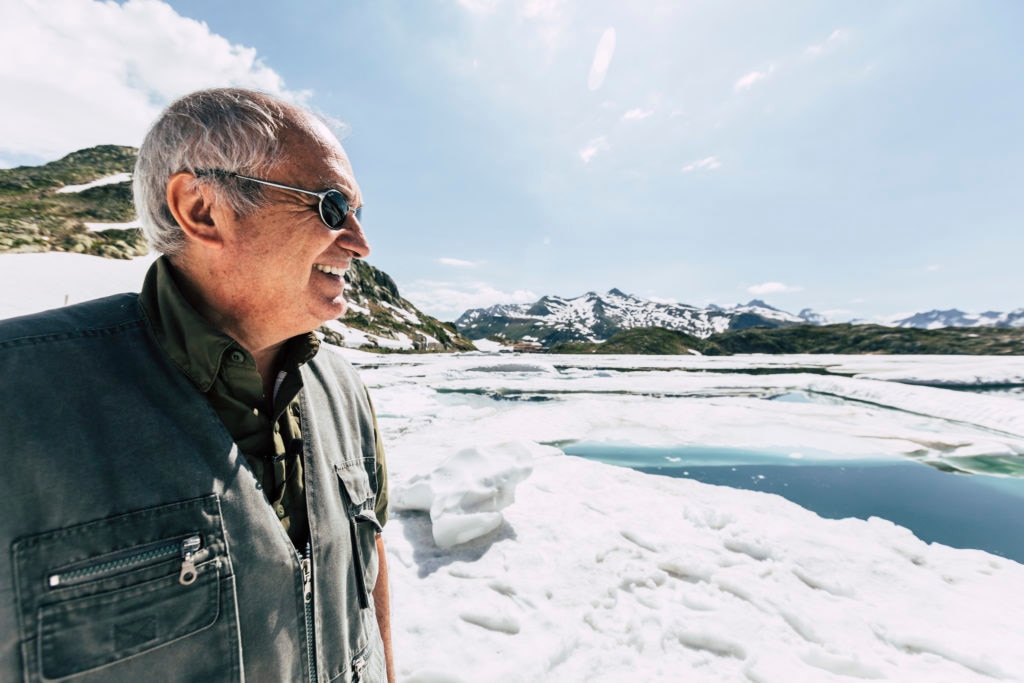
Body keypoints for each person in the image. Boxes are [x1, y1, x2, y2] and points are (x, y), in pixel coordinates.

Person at [0, 88, 394, 682]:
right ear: (202, 208)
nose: (361, 243)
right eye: (333, 206)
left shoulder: (344, 389)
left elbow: (371, 562)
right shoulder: (17, 391)